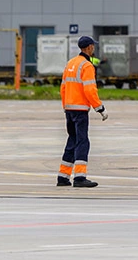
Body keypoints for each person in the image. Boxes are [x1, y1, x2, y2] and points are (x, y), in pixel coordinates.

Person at [57, 35, 107, 188]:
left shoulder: (70, 64)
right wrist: (100, 108)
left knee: (72, 140)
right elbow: (90, 89)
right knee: (82, 141)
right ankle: (79, 177)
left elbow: (63, 88)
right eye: (93, 46)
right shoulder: (86, 66)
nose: (94, 49)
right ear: (89, 47)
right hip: (80, 110)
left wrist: (66, 106)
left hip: (69, 109)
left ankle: (63, 176)